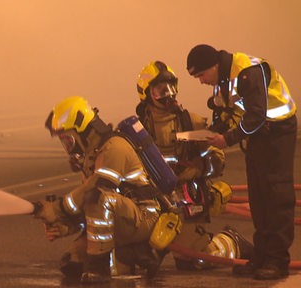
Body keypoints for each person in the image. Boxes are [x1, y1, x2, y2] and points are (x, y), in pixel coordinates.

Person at [186, 44, 297, 280]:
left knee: (275, 196)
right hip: (259, 134)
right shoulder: (225, 79)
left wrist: (227, 139)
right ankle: (262, 255)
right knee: (258, 197)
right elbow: (231, 112)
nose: (201, 81)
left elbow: (256, 114)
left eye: (201, 75)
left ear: (213, 66)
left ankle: (277, 260)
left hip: (277, 133)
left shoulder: (247, 71)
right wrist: (209, 134)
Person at [135, 60, 254, 270]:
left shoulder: (191, 122)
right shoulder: (138, 129)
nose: (169, 95)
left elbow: (217, 160)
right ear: (146, 94)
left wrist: (199, 166)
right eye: (161, 91)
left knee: (196, 261)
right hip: (152, 201)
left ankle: (231, 241)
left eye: (171, 88)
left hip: (187, 199)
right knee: (138, 259)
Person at [34, 96, 163, 284]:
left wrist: (57, 209)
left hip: (144, 216)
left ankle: (100, 267)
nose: (67, 146)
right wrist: (66, 225)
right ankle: (134, 252)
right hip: (121, 217)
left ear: (83, 131)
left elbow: (97, 192)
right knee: (71, 264)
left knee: (97, 196)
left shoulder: (114, 147)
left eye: (68, 139)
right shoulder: (91, 157)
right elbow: (88, 207)